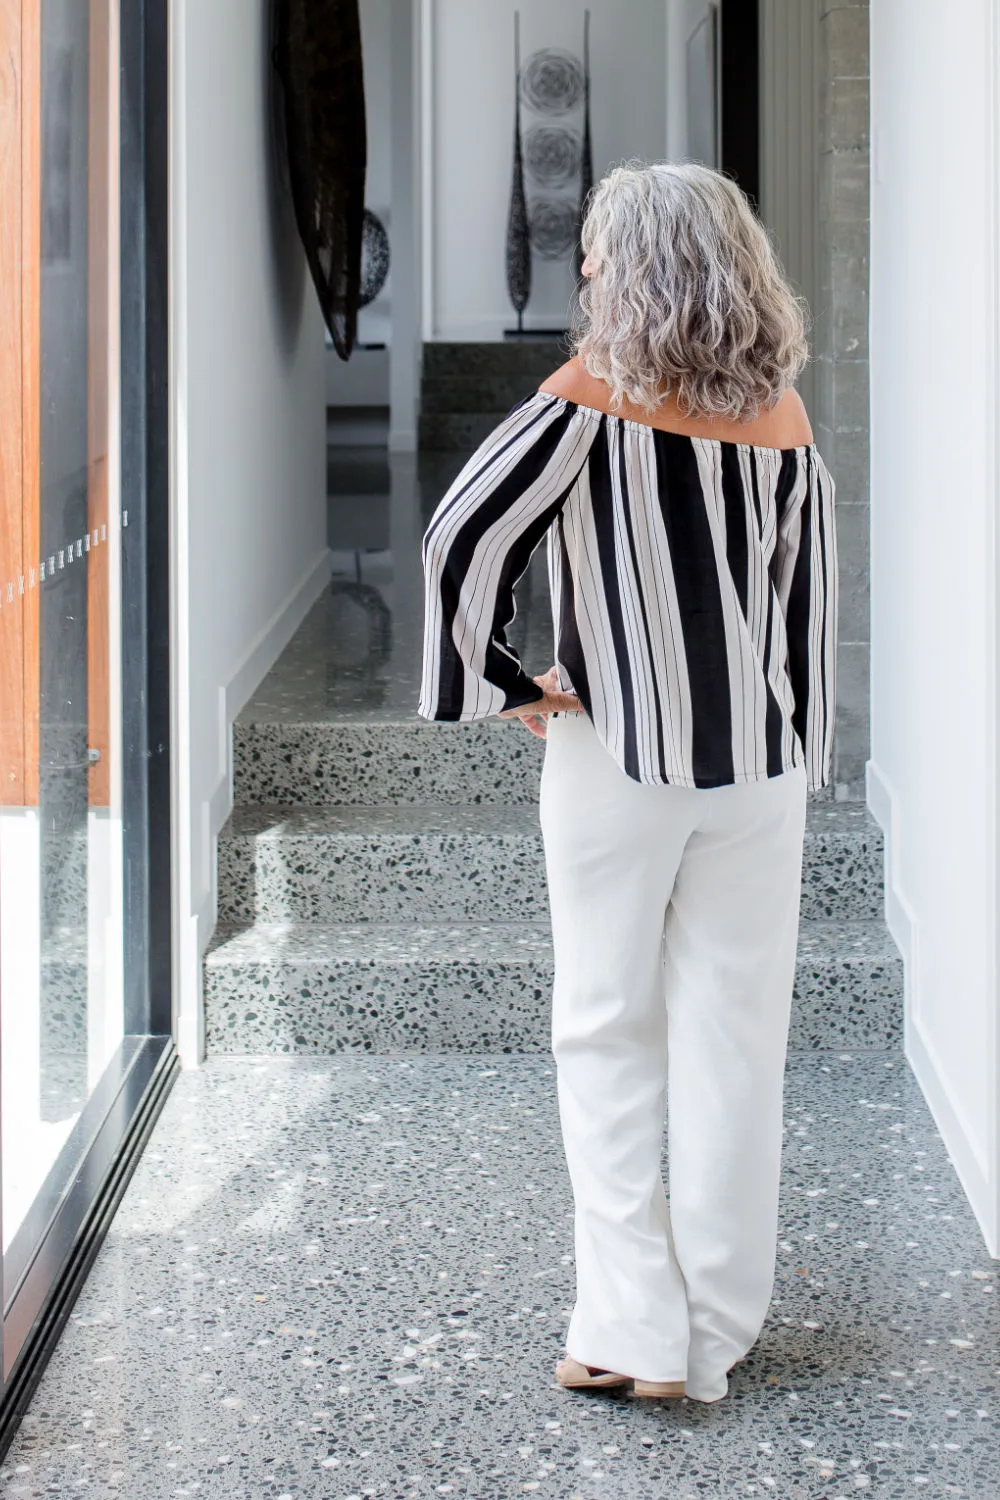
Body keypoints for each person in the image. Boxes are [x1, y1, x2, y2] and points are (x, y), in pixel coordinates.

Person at [417, 160, 837, 1404]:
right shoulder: (785, 413)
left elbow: (458, 539)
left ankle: (628, 1330)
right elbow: (807, 603)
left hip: (618, 758)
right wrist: (804, 748)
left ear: (631, 263)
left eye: (597, 248)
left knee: (605, 1032)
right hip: (756, 766)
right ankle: (712, 1333)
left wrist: (505, 683)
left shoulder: (588, 395)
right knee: (735, 1042)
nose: (585, 267)